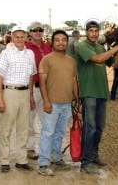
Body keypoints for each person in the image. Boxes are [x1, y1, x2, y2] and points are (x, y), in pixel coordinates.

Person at [75, 20, 118, 174]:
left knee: (99, 127)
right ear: (86, 32)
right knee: (89, 127)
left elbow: (115, 64)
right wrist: (117, 47)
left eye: (96, 31)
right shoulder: (82, 46)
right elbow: (98, 59)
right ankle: (85, 162)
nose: (94, 34)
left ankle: (93, 155)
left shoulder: (100, 47)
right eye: (91, 31)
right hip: (88, 92)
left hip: (101, 92)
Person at [37, 30, 79, 176]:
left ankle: (56, 158)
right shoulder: (47, 60)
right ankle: (43, 163)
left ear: (67, 42)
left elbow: (73, 81)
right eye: (57, 40)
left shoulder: (71, 60)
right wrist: (46, 101)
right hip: (52, 104)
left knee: (60, 133)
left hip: (67, 104)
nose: (61, 42)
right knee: (47, 132)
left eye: (64, 40)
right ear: (52, 42)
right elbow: (42, 82)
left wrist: (77, 100)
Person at [0, 25, 36, 173]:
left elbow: (31, 76)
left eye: (22, 36)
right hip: (10, 92)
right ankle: (5, 161)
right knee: (6, 128)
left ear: (26, 38)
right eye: (16, 36)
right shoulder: (6, 54)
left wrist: (31, 96)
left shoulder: (30, 53)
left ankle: (21, 160)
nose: (20, 39)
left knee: (23, 128)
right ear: (12, 38)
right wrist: (0, 99)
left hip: (25, 93)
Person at [25, 21, 52, 160]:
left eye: (40, 30)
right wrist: (29, 94)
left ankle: (46, 148)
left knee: (47, 119)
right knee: (29, 119)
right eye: (34, 30)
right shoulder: (25, 48)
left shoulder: (47, 46)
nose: (37, 32)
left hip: (46, 89)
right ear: (30, 32)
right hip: (32, 88)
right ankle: (29, 148)